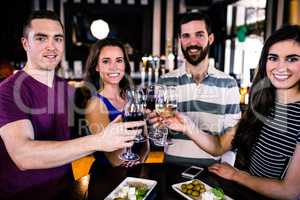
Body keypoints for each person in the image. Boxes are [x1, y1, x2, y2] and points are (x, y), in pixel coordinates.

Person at [0, 10, 144, 199]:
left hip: (67, 191)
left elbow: (76, 144)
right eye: (41, 38)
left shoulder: (67, 90)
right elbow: (23, 156)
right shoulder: (8, 90)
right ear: (25, 43)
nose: (51, 46)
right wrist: (100, 140)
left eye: (57, 39)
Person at [163, 25, 300, 199]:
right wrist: (187, 126)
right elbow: (219, 146)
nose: (281, 67)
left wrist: (237, 175)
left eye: (292, 59)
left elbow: (290, 191)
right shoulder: (261, 104)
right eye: (273, 58)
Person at [149, 11, 241, 166]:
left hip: (212, 173)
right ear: (180, 41)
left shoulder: (228, 84)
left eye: (199, 35)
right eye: (186, 36)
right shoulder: (165, 81)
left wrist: (226, 170)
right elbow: (158, 132)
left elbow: (231, 140)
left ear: (210, 39)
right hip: (171, 169)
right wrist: (153, 124)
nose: (192, 42)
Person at [84, 38, 149, 168]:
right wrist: (126, 120)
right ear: (97, 66)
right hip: (107, 179)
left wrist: (145, 123)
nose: (113, 67)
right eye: (106, 61)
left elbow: (145, 148)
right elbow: (115, 160)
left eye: (119, 60)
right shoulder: (95, 105)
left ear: (125, 64)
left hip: (133, 176)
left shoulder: (132, 99)